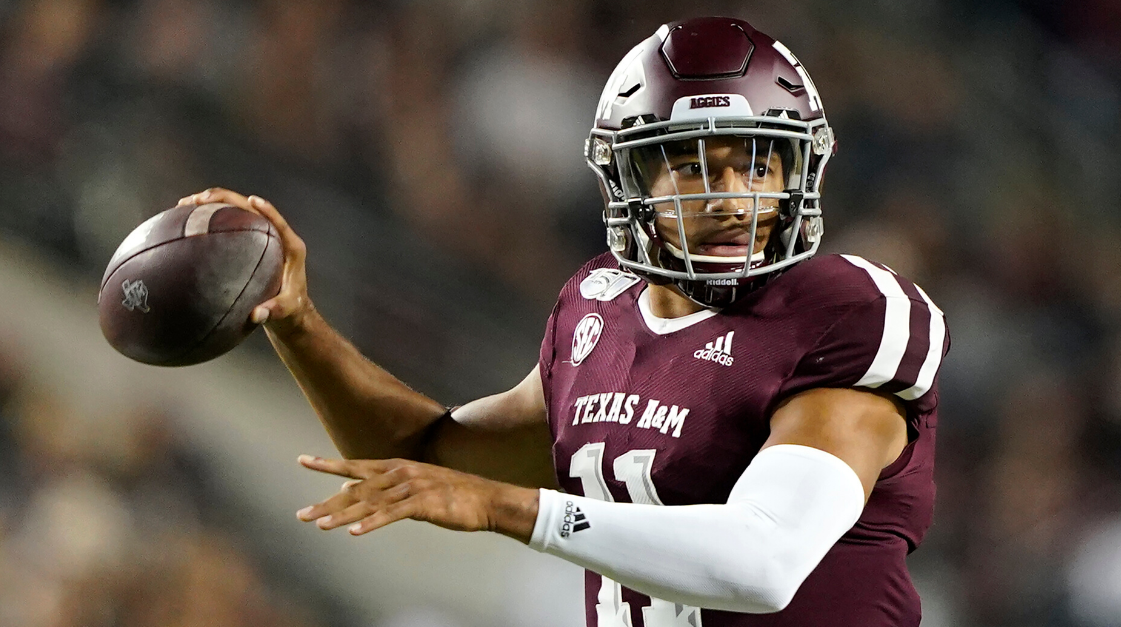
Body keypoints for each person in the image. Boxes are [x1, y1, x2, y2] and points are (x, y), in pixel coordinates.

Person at [180, 17, 948, 627]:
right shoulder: (599, 311)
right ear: (629, 180)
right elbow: (423, 456)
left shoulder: (845, 315)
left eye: (756, 163)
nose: (728, 197)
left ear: (798, 174)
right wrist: (298, 322)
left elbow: (764, 561)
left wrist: (509, 508)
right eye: (690, 165)